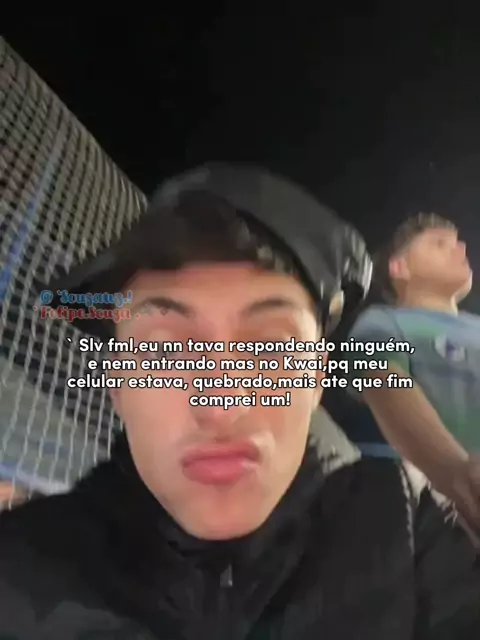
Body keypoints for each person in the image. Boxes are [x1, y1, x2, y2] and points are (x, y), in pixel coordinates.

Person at [0, 167, 479, 639]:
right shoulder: (21, 568)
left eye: (270, 347)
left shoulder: (402, 524)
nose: (221, 405)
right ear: (116, 384)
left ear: (316, 379)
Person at [348, 213, 480, 534]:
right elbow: (386, 386)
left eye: (458, 242)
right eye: (439, 244)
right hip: (428, 514)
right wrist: (458, 475)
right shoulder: (380, 323)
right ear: (399, 268)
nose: (461, 248)